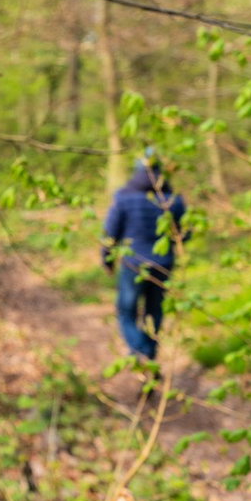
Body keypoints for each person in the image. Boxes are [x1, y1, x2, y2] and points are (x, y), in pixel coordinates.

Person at [102, 152, 188, 360]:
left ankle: (141, 351)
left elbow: (110, 233)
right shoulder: (173, 200)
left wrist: (108, 259)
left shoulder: (124, 197)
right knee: (154, 312)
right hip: (163, 264)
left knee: (126, 312)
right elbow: (183, 236)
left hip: (133, 264)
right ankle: (150, 355)